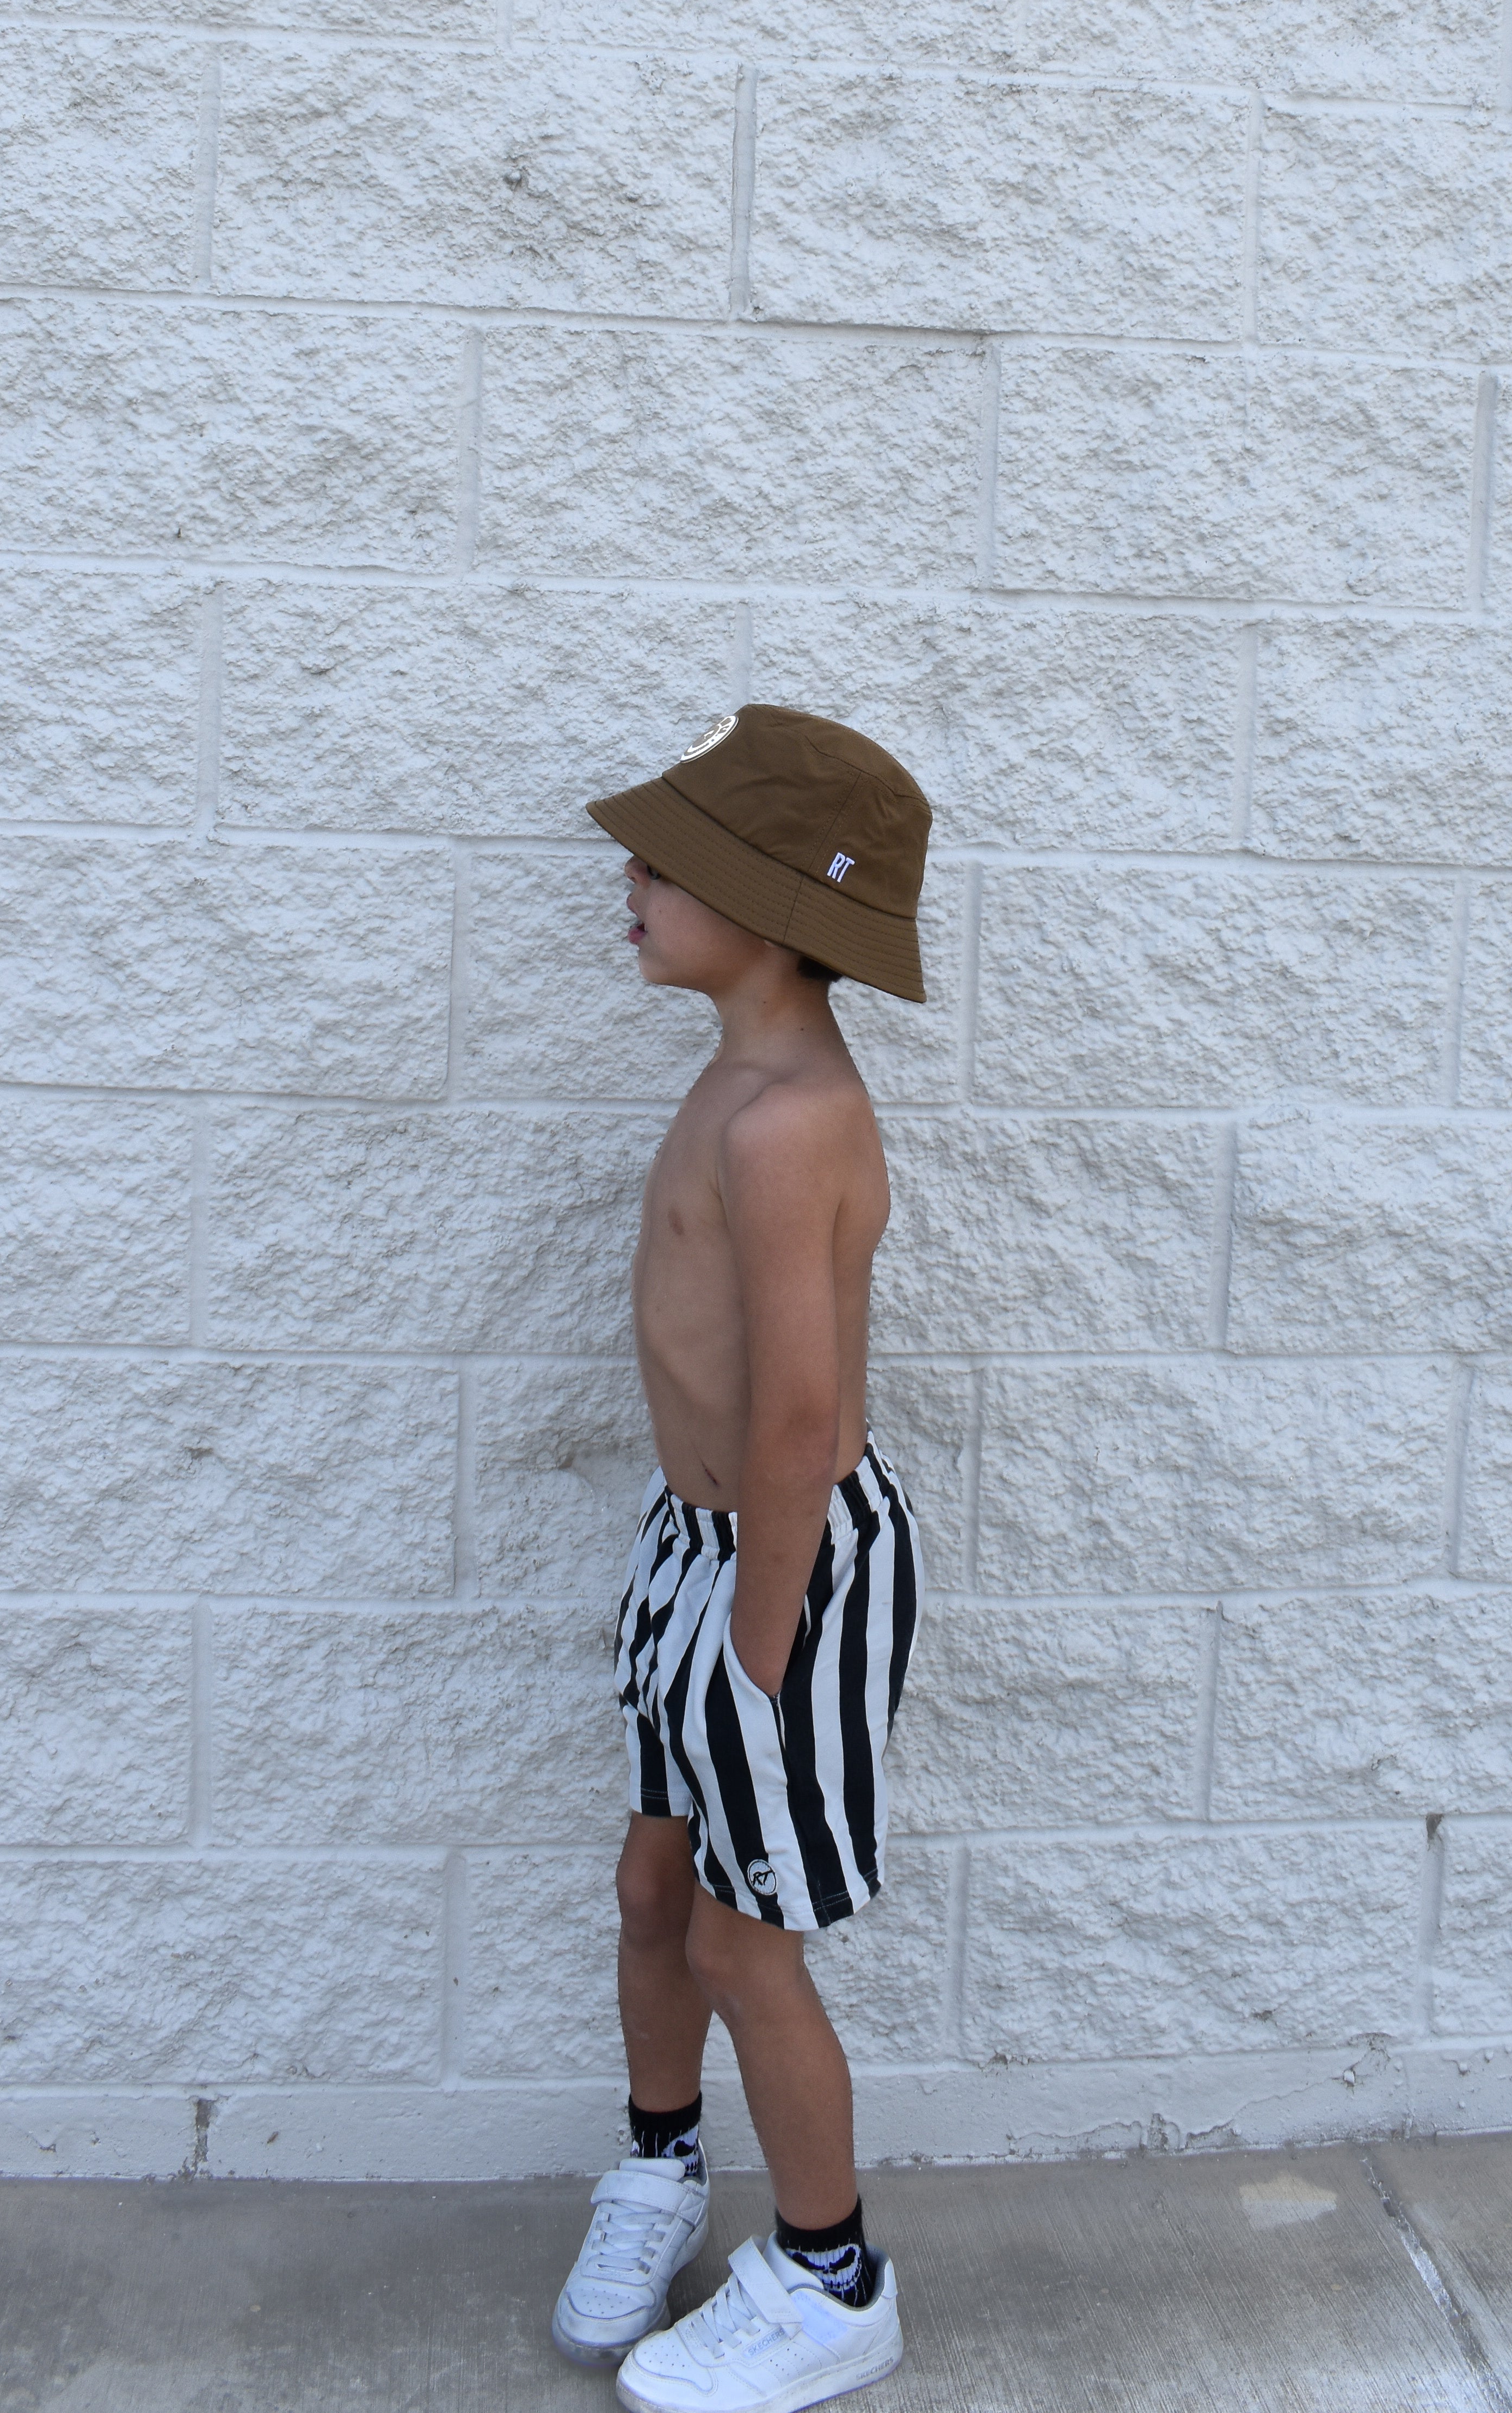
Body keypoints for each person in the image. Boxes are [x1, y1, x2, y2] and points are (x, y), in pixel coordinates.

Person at [551, 703, 931, 2413]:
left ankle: (834, 2279)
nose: (629, 879)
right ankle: (657, 2169)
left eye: (669, 861)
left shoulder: (793, 1121)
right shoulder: (735, 1075)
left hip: (787, 1577)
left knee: (739, 1944)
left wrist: (759, 1654)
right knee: (653, 1895)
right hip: (696, 1553)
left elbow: (796, 1421)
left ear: (774, 909)